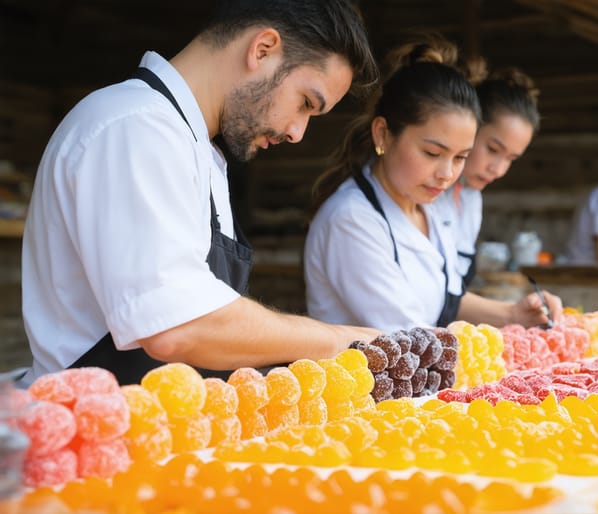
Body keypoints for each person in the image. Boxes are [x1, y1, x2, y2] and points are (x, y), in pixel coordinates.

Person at [19, 0, 381, 386]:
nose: (297, 132)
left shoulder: (196, 150)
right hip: (99, 430)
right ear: (263, 49)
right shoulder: (135, 127)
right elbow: (176, 326)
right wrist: (342, 339)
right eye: (306, 103)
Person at [305, 37, 563, 332]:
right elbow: (411, 340)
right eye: (432, 153)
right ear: (383, 135)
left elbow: (443, 301)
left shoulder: (429, 209)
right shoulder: (351, 220)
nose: (447, 174)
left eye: (460, 157)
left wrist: (513, 315)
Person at [432, 68, 540, 286]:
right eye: (492, 149)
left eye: (511, 158)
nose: (498, 170)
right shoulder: (426, 192)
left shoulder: (470, 199)